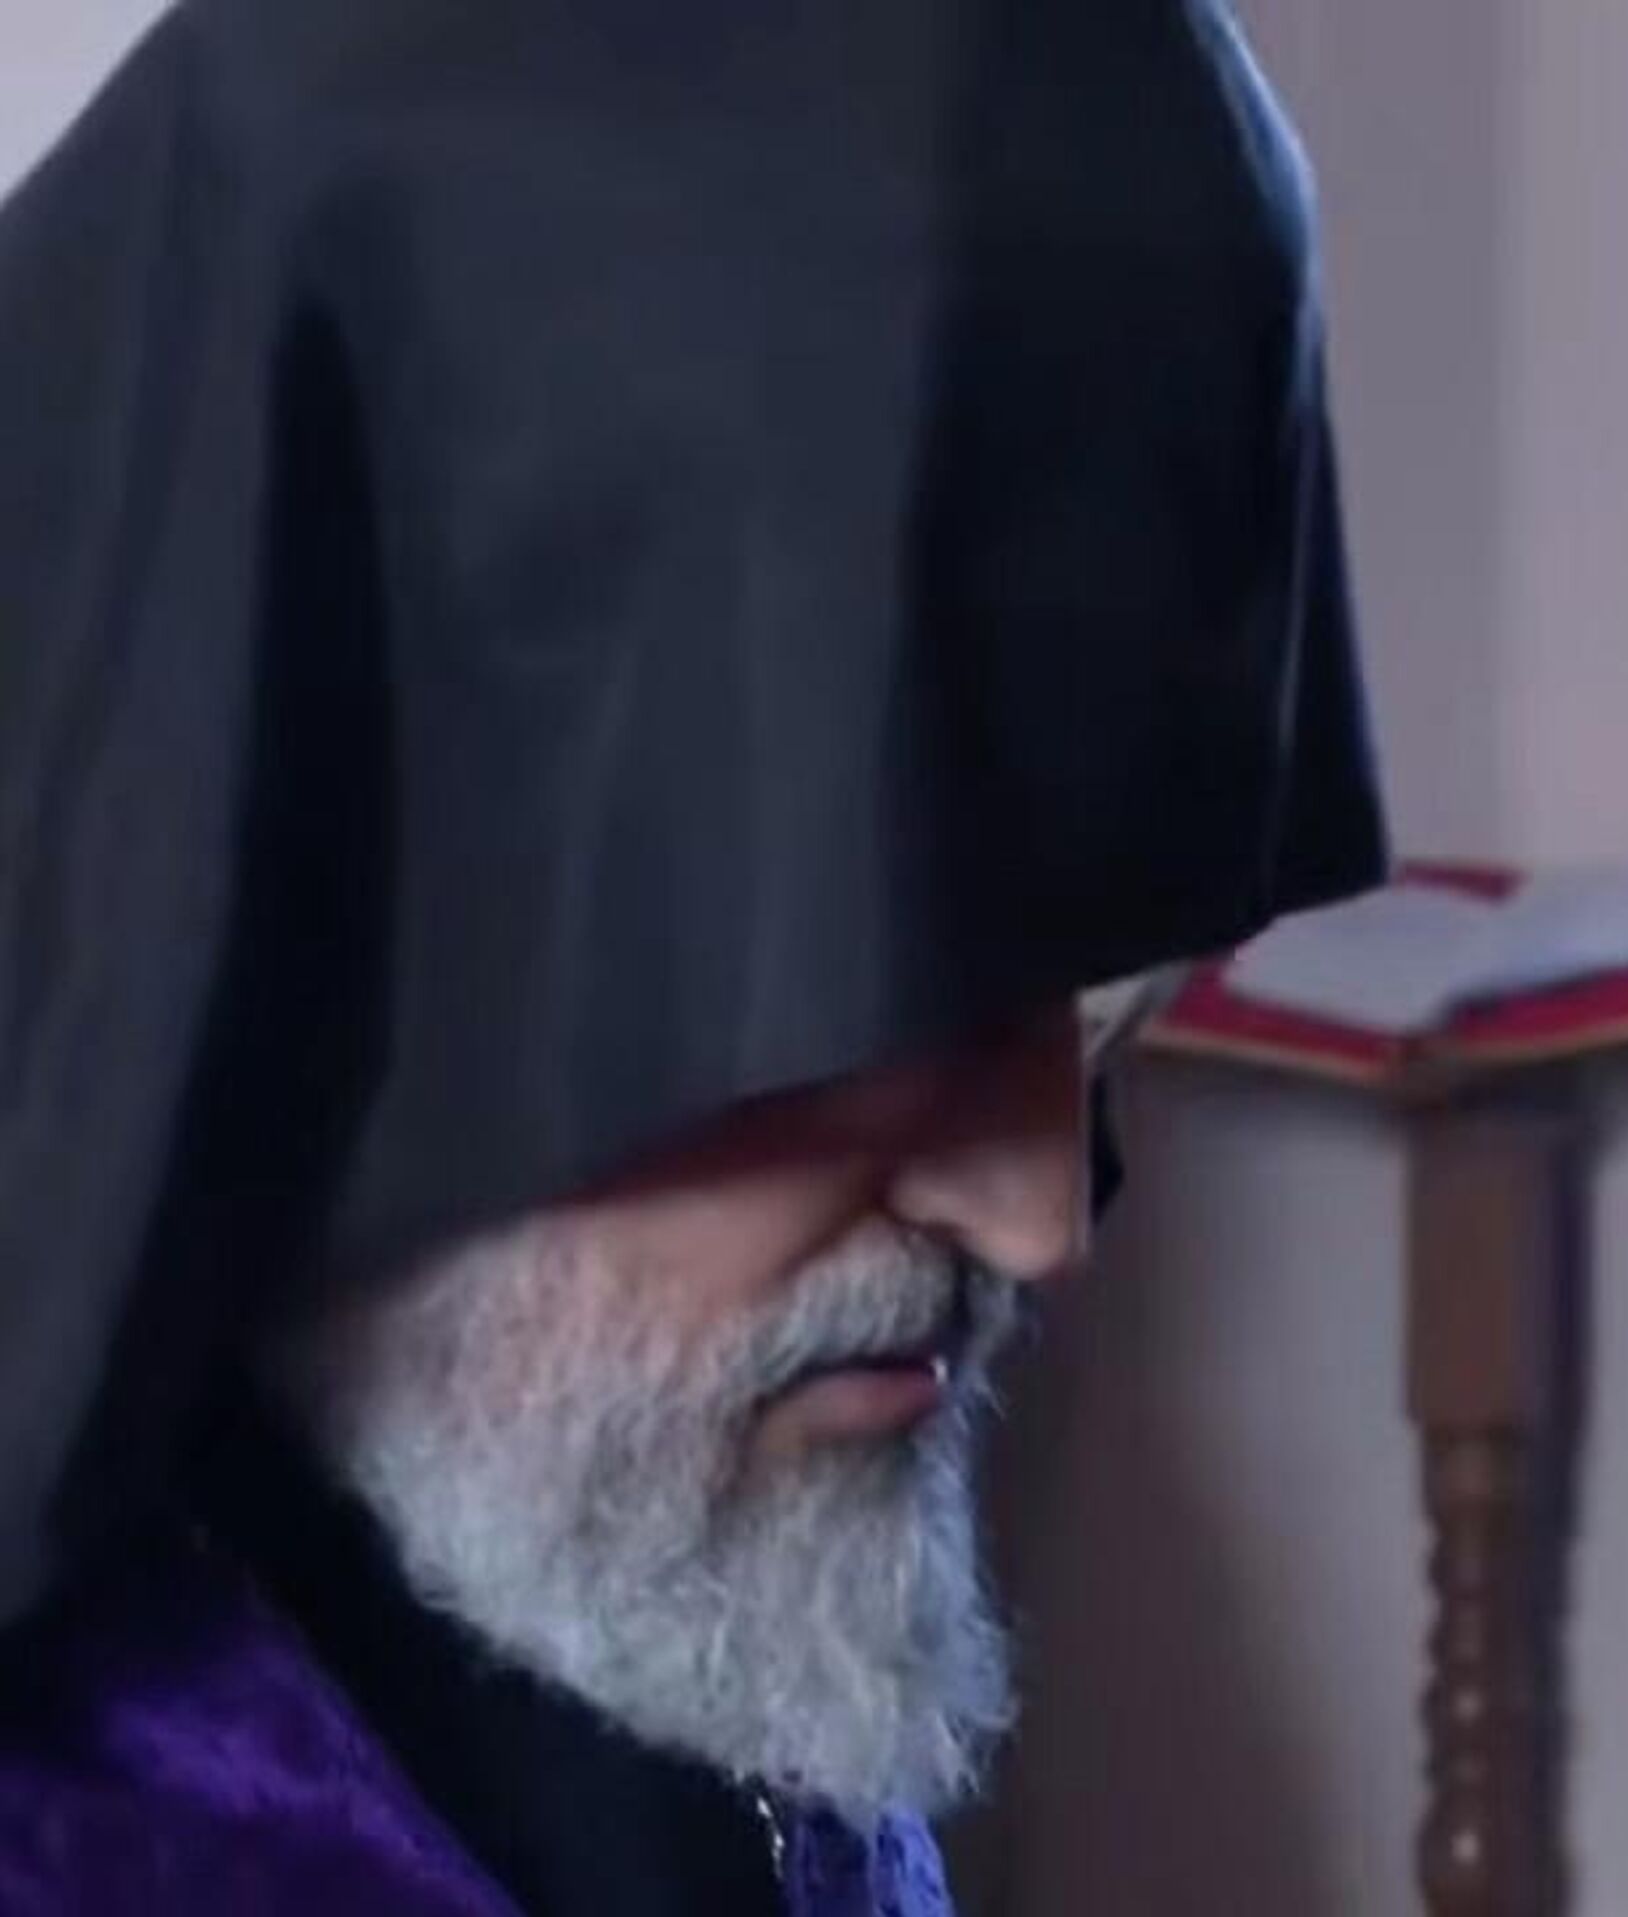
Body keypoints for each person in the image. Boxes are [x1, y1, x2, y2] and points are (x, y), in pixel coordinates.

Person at [0, 0, 1387, 1911]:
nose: (1041, 1216)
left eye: (1091, 1013)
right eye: (880, 1005)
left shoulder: (630, 1553)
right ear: (369, 899)